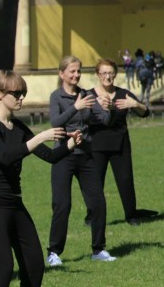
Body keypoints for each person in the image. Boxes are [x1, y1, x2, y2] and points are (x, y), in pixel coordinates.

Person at [0, 70, 81, 287]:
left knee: (34, 264)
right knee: (1, 270)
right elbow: (6, 156)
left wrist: (70, 143)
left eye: (23, 93)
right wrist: (42, 135)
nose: (21, 97)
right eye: (16, 93)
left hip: (14, 201)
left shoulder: (19, 128)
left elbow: (49, 155)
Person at [46, 56, 116, 267]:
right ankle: (54, 252)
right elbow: (55, 121)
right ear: (62, 74)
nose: (76, 75)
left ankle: (98, 249)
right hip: (62, 155)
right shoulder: (56, 97)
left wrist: (108, 108)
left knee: (97, 203)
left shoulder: (86, 95)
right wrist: (75, 107)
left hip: (86, 155)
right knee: (62, 205)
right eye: (72, 71)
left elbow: (103, 121)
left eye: (78, 71)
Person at [88, 59, 157, 226]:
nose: (108, 76)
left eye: (111, 73)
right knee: (95, 182)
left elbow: (145, 113)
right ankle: (92, 216)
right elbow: (83, 117)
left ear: (115, 74)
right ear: (98, 75)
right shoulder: (89, 95)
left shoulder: (123, 94)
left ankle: (131, 215)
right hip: (96, 144)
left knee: (125, 179)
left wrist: (135, 104)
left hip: (120, 144)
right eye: (104, 73)